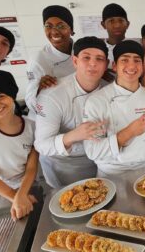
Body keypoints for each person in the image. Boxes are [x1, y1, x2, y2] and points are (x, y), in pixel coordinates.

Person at [83, 40, 145, 177]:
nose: (131, 65)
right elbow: (92, 151)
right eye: (124, 60)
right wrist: (129, 132)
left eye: (137, 60)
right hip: (111, 173)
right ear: (114, 66)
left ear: (143, 66)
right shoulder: (97, 101)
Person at [34, 37, 109, 188]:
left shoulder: (109, 89)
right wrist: (72, 136)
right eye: (86, 57)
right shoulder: (53, 95)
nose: (93, 63)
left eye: (99, 59)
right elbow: (41, 145)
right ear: (75, 61)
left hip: (103, 161)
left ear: (106, 65)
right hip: (65, 166)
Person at [0, 70, 38, 220]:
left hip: (25, 187)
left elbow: (31, 167)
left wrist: (21, 194)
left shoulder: (31, 127)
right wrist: (15, 197)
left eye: (1, 96)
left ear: (12, 95)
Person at [25, 5, 75, 120]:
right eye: (48, 26)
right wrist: (39, 88)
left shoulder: (81, 51)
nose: (54, 32)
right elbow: (30, 103)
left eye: (61, 26)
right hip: (51, 116)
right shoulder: (38, 59)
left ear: (71, 29)